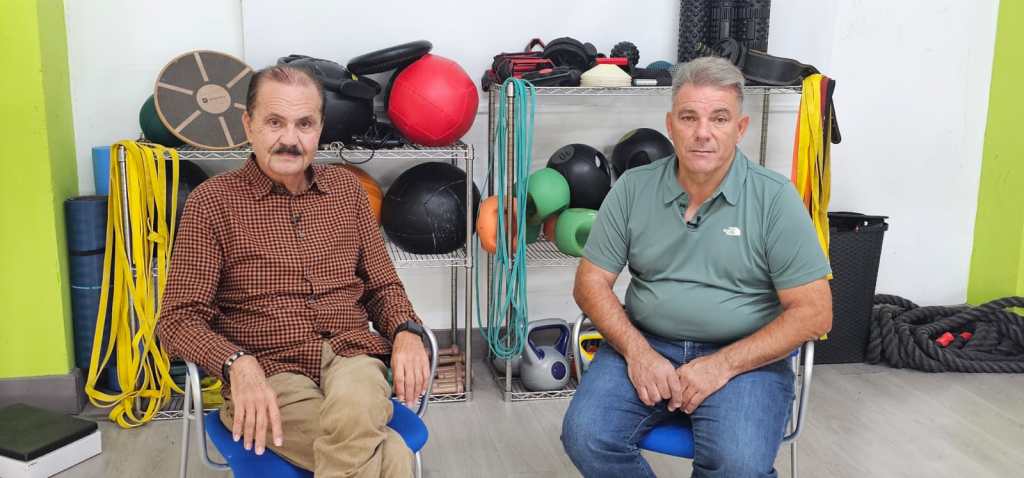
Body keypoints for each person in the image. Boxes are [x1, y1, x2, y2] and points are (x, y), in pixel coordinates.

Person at [560, 56, 833, 478]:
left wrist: (722, 365)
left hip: (744, 356)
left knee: (737, 466)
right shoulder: (633, 187)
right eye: (689, 117)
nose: (703, 133)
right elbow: (590, 282)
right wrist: (638, 352)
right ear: (670, 125)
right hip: (647, 342)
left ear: (740, 128)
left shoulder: (774, 198)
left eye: (719, 118)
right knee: (586, 436)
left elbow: (815, 312)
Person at [156, 65, 429, 478]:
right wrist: (236, 363)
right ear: (248, 125)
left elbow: (383, 286)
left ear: (320, 128)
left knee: (355, 409)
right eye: (274, 122)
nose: (290, 139)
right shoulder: (212, 203)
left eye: (304, 124)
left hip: (352, 354)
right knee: (389, 450)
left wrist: (406, 329)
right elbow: (178, 319)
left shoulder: (348, 192)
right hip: (268, 370)